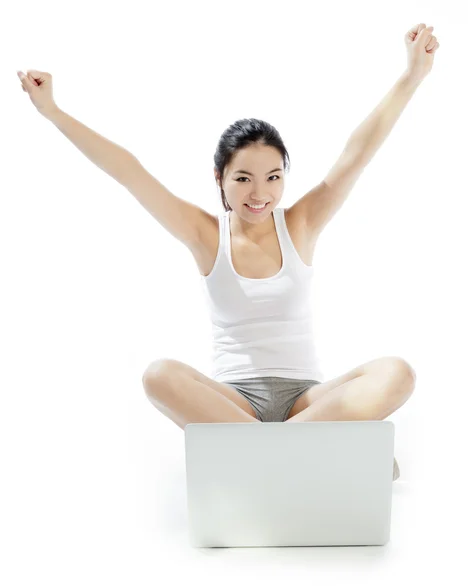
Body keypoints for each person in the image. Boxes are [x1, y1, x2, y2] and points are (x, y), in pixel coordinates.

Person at [18, 24, 440, 480]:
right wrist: (53, 112)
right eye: (243, 179)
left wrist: (413, 75)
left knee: (398, 372)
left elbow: (357, 153)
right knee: (158, 375)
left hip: (309, 401)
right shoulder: (205, 235)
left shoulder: (301, 223)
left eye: (274, 177)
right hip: (234, 403)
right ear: (219, 177)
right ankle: (320, 451)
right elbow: (129, 171)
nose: (260, 194)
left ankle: (265, 454)